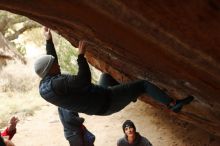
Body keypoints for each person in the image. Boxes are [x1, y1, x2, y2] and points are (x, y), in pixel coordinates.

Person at [34, 27, 194, 116]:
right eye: (54, 64)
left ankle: (130, 95)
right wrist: (81, 57)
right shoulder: (59, 83)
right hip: (106, 101)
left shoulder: (45, 86)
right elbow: (83, 79)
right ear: (51, 69)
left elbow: (50, 62)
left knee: (106, 76)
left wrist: (48, 40)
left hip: (98, 99)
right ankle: (172, 104)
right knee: (143, 85)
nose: (57, 64)